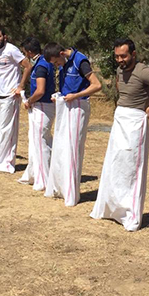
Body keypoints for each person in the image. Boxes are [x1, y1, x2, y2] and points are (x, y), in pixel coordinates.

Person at [90, 39, 149, 230]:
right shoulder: (120, 70)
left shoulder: (143, 70)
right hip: (120, 118)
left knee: (131, 168)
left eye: (124, 56)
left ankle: (130, 214)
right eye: (117, 56)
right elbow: (122, 91)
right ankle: (111, 209)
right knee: (115, 165)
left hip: (136, 122)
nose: (120, 60)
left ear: (134, 54)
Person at [43, 43, 101, 206]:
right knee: (61, 148)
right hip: (65, 107)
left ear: (62, 53)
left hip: (78, 108)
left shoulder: (80, 61)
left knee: (72, 149)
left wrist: (76, 95)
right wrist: (60, 96)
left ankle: (71, 192)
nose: (56, 66)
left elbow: (96, 85)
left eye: (56, 62)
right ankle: (59, 186)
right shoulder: (64, 64)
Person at [0, 26, 29, 174]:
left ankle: (7, 162)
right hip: (0, 95)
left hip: (11, 95)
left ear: (5, 36)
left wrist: (20, 86)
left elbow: (27, 66)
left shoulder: (11, 50)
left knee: (8, 131)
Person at [17, 38, 55, 191]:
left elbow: (40, 90)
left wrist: (29, 101)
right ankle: (36, 173)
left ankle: (44, 179)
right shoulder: (44, 63)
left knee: (41, 143)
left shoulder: (40, 67)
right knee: (38, 141)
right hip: (43, 106)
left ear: (30, 52)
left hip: (42, 106)